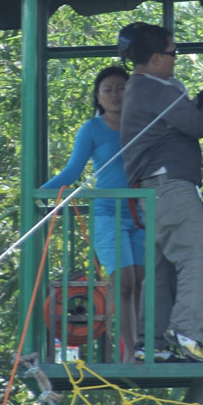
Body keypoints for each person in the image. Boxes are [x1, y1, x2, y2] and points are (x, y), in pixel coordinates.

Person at [118, 22, 203, 363]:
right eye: (171, 54)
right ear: (153, 59)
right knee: (197, 256)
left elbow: (180, 120)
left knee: (160, 269)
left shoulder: (143, 88)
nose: (175, 60)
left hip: (151, 193)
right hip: (170, 187)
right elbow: (195, 125)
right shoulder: (156, 89)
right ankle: (185, 332)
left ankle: (150, 342)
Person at [39, 65, 145, 360]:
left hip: (141, 213)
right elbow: (73, 171)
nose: (114, 94)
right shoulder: (92, 129)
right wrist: (40, 193)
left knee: (140, 284)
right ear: (98, 96)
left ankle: (138, 348)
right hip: (108, 215)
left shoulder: (142, 124)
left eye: (121, 87)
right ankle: (127, 355)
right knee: (123, 283)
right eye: (107, 89)